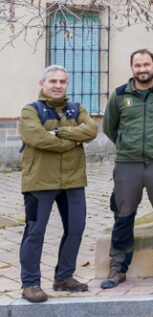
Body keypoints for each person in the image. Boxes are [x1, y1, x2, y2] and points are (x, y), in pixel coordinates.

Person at [100, 49, 153, 289]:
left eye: (146, 64)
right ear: (132, 68)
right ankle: (117, 268)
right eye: (137, 65)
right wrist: (127, 145)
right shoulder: (119, 95)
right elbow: (110, 127)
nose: (142, 69)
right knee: (123, 216)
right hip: (128, 165)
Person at [18, 66, 99, 303]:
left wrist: (58, 132)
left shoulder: (77, 108)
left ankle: (63, 277)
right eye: (52, 81)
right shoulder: (30, 110)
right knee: (35, 232)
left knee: (76, 228)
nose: (57, 85)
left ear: (67, 84)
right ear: (41, 83)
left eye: (62, 81)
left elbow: (92, 130)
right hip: (39, 181)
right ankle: (30, 283)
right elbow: (36, 137)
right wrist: (72, 142)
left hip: (73, 181)